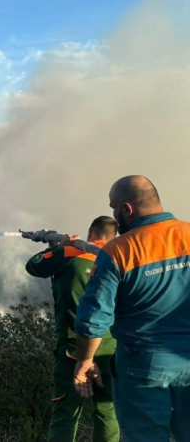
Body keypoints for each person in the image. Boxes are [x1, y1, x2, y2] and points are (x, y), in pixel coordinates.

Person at [74, 175, 190, 442]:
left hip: (142, 365)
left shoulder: (118, 251)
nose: (114, 215)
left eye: (114, 208)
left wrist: (85, 361)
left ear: (126, 209)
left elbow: (93, 319)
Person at [26, 217, 120, 442]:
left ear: (90, 232)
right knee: (107, 412)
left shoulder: (69, 254)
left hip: (73, 345)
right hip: (110, 345)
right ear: (114, 236)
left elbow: (34, 265)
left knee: (65, 412)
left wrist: (60, 246)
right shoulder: (119, 258)